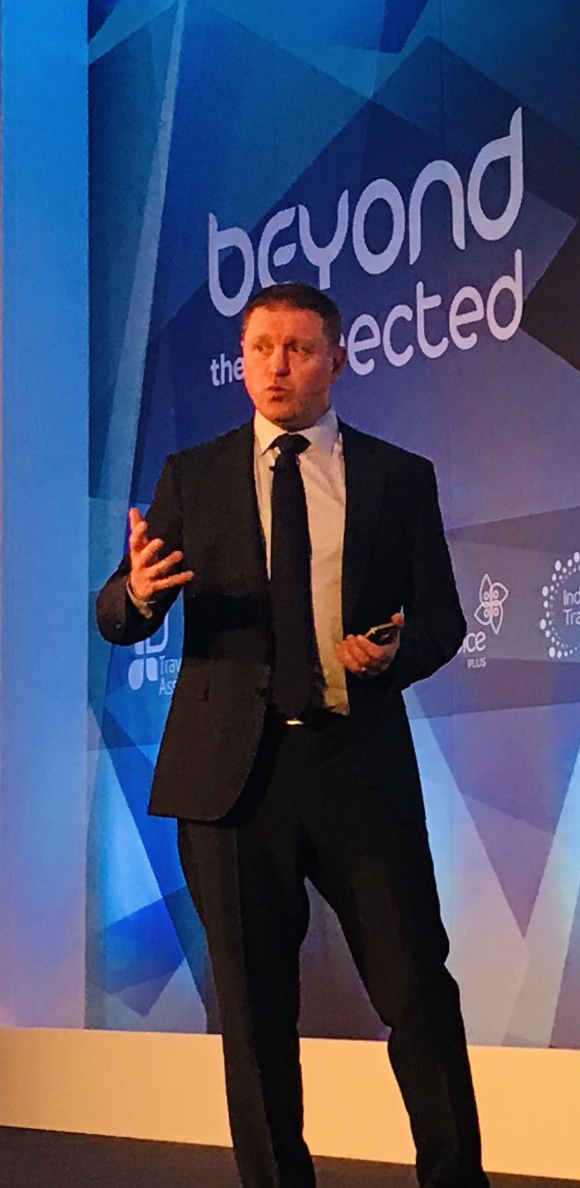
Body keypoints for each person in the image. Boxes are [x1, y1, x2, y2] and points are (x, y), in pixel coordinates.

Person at [96, 282, 488, 1188]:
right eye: (260, 347)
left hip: (357, 769)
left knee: (418, 991)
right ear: (242, 361)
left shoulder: (397, 476)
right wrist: (140, 594)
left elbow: (441, 621)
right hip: (232, 783)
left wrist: (391, 654)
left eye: (298, 348)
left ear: (336, 360)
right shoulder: (192, 475)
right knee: (254, 1013)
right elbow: (117, 610)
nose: (276, 365)